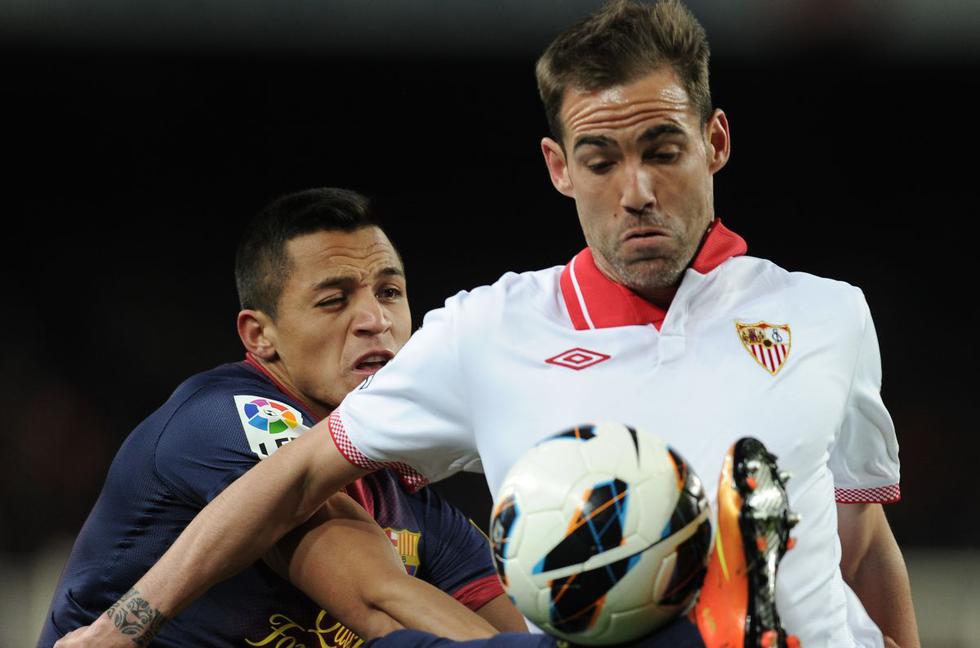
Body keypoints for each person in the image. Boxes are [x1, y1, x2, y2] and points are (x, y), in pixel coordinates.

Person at [55, 1, 920, 647]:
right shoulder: (487, 333)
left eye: (663, 150)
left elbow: (861, 541)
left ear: (715, 141)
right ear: (558, 168)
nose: (637, 191)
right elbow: (297, 476)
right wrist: (117, 629)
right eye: (601, 160)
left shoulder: (828, 315)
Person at [41, 187, 526, 647]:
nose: (375, 320)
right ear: (259, 335)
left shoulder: (400, 483)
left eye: (389, 292)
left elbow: (516, 626)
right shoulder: (226, 421)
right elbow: (380, 602)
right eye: (334, 300)